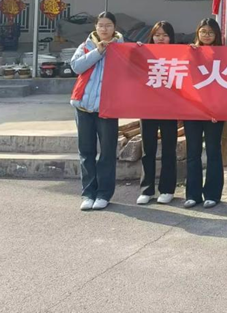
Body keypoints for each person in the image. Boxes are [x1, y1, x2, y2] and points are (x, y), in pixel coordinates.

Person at [70, 11, 123, 211]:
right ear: (95, 27)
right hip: (83, 105)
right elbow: (76, 67)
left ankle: (104, 194)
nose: (104, 29)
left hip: (107, 108)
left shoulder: (122, 48)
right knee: (86, 151)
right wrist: (98, 52)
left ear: (114, 28)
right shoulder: (85, 46)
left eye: (108, 25)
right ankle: (88, 193)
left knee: (107, 152)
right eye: (101, 25)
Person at [184, 18, 226, 209]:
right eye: (203, 31)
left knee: (213, 151)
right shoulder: (189, 52)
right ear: (198, 33)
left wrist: (220, 109)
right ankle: (193, 194)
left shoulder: (224, 55)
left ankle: (213, 194)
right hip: (192, 110)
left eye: (210, 32)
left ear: (216, 34)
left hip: (214, 112)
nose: (206, 35)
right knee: (192, 152)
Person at [136, 21, 179, 205]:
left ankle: (167, 189)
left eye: (165, 35)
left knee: (169, 149)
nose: (161, 38)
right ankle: (146, 189)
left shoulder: (179, 55)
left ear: (171, 37)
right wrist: (135, 51)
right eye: (157, 35)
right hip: (147, 107)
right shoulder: (144, 54)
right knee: (148, 149)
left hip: (169, 108)